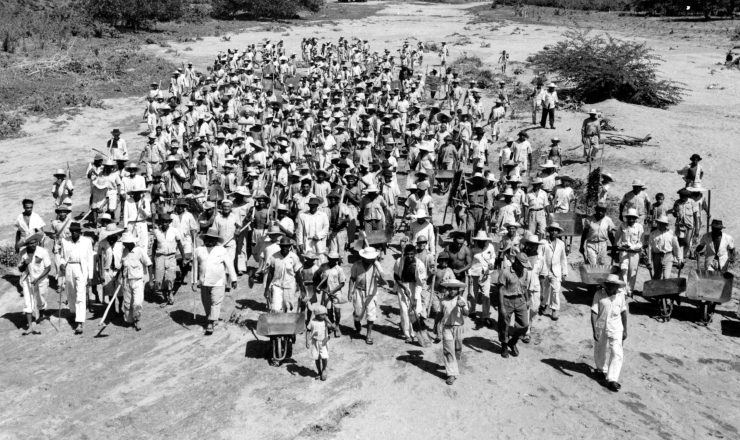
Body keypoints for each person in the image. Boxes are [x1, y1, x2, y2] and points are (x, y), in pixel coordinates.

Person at [195, 227, 237, 335]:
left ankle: (210, 322)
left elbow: (229, 265)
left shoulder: (222, 250)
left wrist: (233, 279)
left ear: (216, 240)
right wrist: (193, 282)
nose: (210, 240)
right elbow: (194, 267)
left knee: (215, 302)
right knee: (206, 302)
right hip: (204, 281)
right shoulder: (199, 250)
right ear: (205, 239)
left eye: (213, 239)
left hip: (218, 281)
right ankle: (210, 317)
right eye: (209, 238)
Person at [591, 274, 628, 393]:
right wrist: (595, 329)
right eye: (610, 285)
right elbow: (594, 313)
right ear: (606, 285)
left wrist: (625, 329)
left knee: (617, 352)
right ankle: (601, 369)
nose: (612, 288)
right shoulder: (598, 295)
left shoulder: (621, 296)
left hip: (616, 327)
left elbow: (623, 312)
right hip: (601, 326)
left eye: (614, 286)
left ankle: (612, 379)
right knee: (600, 348)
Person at [59, 223, 94, 334]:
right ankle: (75, 313)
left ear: (80, 231)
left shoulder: (87, 242)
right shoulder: (65, 241)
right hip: (69, 268)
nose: (74, 232)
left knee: (80, 294)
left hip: (81, 268)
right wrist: (61, 264)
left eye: (76, 230)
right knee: (71, 293)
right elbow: (62, 257)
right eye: (72, 230)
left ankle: (79, 323)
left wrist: (90, 276)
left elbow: (89, 260)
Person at [348, 247, 385, 345]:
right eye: (368, 258)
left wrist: (381, 273)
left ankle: (368, 335)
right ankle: (357, 321)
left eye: (371, 258)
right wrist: (349, 292)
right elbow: (352, 278)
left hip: (371, 293)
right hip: (359, 291)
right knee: (358, 312)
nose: (369, 260)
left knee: (371, 314)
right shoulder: (356, 265)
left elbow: (381, 280)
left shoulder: (376, 266)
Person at [498, 252, 532, 358]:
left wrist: (527, 299)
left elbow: (524, 286)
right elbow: (500, 290)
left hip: (520, 299)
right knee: (504, 325)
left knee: (525, 324)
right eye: (522, 265)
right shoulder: (505, 272)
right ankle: (504, 345)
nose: (523, 267)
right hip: (507, 300)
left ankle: (513, 342)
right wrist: (502, 307)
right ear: (516, 262)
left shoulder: (525, 271)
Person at [18, 234, 51, 335]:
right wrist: (24, 263)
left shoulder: (42, 252)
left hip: (41, 279)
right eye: (31, 244)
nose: (33, 245)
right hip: (27, 280)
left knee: (41, 300)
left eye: (35, 243)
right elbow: (20, 268)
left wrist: (38, 279)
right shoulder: (22, 253)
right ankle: (30, 327)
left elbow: (48, 268)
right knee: (28, 302)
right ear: (27, 244)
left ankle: (39, 319)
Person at [394, 244, 427, 343]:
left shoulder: (420, 265)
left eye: (411, 254)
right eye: (407, 254)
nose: (409, 256)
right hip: (402, 285)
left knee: (415, 310)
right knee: (404, 311)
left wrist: (416, 298)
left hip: (415, 286)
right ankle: (407, 334)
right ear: (404, 253)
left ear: (415, 253)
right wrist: (404, 287)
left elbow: (420, 283)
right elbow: (396, 276)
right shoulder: (399, 261)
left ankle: (414, 333)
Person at [120, 232, 153, 330]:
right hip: (126, 281)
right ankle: (130, 320)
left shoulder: (139, 251)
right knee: (127, 303)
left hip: (138, 281)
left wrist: (150, 280)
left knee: (137, 303)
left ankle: (138, 320)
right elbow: (123, 266)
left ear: (130, 242)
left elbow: (149, 264)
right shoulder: (124, 251)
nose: (124, 244)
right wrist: (121, 278)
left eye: (125, 243)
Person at [152, 213, 186, 305]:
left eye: (166, 222)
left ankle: (170, 293)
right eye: (162, 222)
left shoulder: (174, 231)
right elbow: (154, 246)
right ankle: (164, 295)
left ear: (169, 222)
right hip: (159, 257)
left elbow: (179, 245)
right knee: (159, 278)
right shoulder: (156, 232)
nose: (164, 224)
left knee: (170, 277)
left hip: (171, 256)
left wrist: (183, 258)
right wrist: (153, 259)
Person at [439, 280, 469, 386]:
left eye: (454, 289)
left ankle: (454, 362)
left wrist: (462, 306)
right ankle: (451, 374)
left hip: (458, 327)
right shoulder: (443, 301)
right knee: (448, 350)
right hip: (446, 328)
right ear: (447, 289)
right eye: (450, 288)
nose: (452, 291)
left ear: (458, 290)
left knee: (457, 349)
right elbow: (439, 314)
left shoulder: (461, 299)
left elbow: (467, 313)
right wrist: (435, 326)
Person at [264, 237, 305, 313]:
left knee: (289, 309)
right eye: (282, 246)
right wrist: (266, 289)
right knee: (275, 309)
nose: (284, 248)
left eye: (286, 246)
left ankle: (287, 324)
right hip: (277, 285)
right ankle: (277, 324)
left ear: (290, 246)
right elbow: (270, 273)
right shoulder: (274, 257)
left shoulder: (294, 257)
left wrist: (302, 289)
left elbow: (298, 275)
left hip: (290, 286)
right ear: (280, 246)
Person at [614, 209, 644, 296]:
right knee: (623, 269)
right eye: (629, 218)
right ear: (627, 218)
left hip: (634, 252)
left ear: (635, 218)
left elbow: (641, 242)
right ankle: (623, 290)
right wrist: (615, 246)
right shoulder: (622, 225)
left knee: (632, 271)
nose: (631, 220)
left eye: (633, 218)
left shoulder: (639, 227)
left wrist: (633, 247)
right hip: (623, 251)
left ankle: (630, 290)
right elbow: (617, 236)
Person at [542, 222, 569, 321]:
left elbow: (563, 259)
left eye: (556, 230)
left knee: (555, 291)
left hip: (556, 271)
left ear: (558, 232)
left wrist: (564, 272)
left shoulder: (561, 244)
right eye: (552, 230)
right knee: (545, 289)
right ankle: (545, 305)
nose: (554, 232)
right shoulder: (544, 242)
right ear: (549, 231)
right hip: (545, 270)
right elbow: (541, 257)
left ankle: (554, 309)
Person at [317, 251, 346, 338]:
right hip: (326, 292)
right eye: (330, 259)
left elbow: (342, 283)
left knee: (337, 311)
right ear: (328, 258)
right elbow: (317, 275)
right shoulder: (323, 267)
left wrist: (333, 291)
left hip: (336, 292)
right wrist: (320, 285)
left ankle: (337, 325)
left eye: (334, 260)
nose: (332, 261)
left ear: (337, 260)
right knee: (328, 310)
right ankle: (331, 325)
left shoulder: (339, 269)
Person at [646, 215, 682, 281]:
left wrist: (679, 259)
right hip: (657, 256)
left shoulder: (671, 233)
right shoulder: (653, 234)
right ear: (657, 223)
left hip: (668, 256)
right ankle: (657, 290)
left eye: (663, 224)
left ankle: (665, 291)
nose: (661, 225)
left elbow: (676, 247)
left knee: (666, 277)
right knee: (657, 276)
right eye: (659, 223)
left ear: (666, 224)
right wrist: (649, 260)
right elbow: (650, 247)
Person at [306, 304, 335, 381]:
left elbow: (332, 327)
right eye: (323, 315)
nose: (325, 316)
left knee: (324, 356)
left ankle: (324, 369)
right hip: (315, 341)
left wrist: (331, 325)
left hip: (324, 341)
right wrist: (307, 341)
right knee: (317, 357)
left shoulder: (325, 322)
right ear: (317, 315)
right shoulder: (312, 321)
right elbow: (308, 331)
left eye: (326, 314)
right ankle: (319, 371)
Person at [672, 188, 698, 259]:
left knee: (687, 242)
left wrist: (697, 229)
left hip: (689, 226)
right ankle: (681, 257)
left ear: (687, 196)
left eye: (683, 196)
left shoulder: (692, 202)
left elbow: (696, 216)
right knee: (680, 242)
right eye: (680, 196)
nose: (681, 198)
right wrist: (675, 213)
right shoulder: (677, 202)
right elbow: (673, 213)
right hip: (679, 225)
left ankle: (682, 256)